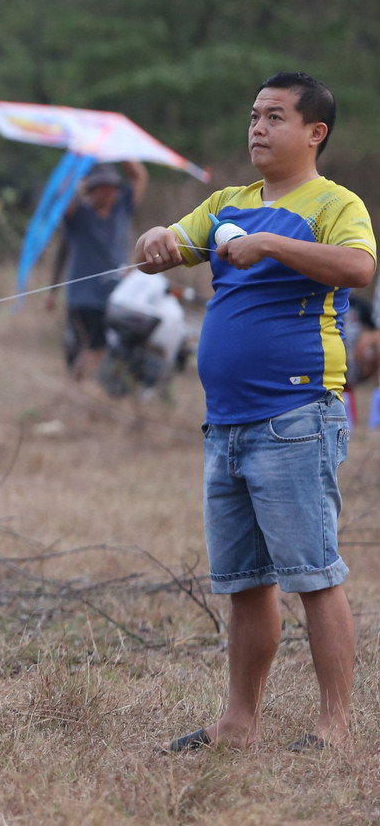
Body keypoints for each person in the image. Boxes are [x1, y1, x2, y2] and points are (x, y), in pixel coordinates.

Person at [136, 72, 374, 753]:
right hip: (227, 424)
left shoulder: (335, 203)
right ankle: (239, 722)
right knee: (246, 583)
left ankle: (334, 727)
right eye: (254, 116)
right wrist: (156, 239)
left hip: (298, 416)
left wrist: (270, 245)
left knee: (314, 574)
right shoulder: (227, 202)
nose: (258, 129)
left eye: (275, 117)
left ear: (314, 132)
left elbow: (358, 269)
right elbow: (163, 252)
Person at [53, 160, 149, 379]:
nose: (107, 192)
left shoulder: (122, 208)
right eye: (101, 187)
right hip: (83, 298)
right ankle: (77, 390)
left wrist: (120, 147)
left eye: (111, 187)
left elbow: (139, 177)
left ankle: (88, 390)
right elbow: (62, 196)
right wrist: (78, 162)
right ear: (90, 190)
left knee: (107, 348)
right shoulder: (78, 214)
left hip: (116, 296)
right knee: (85, 348)